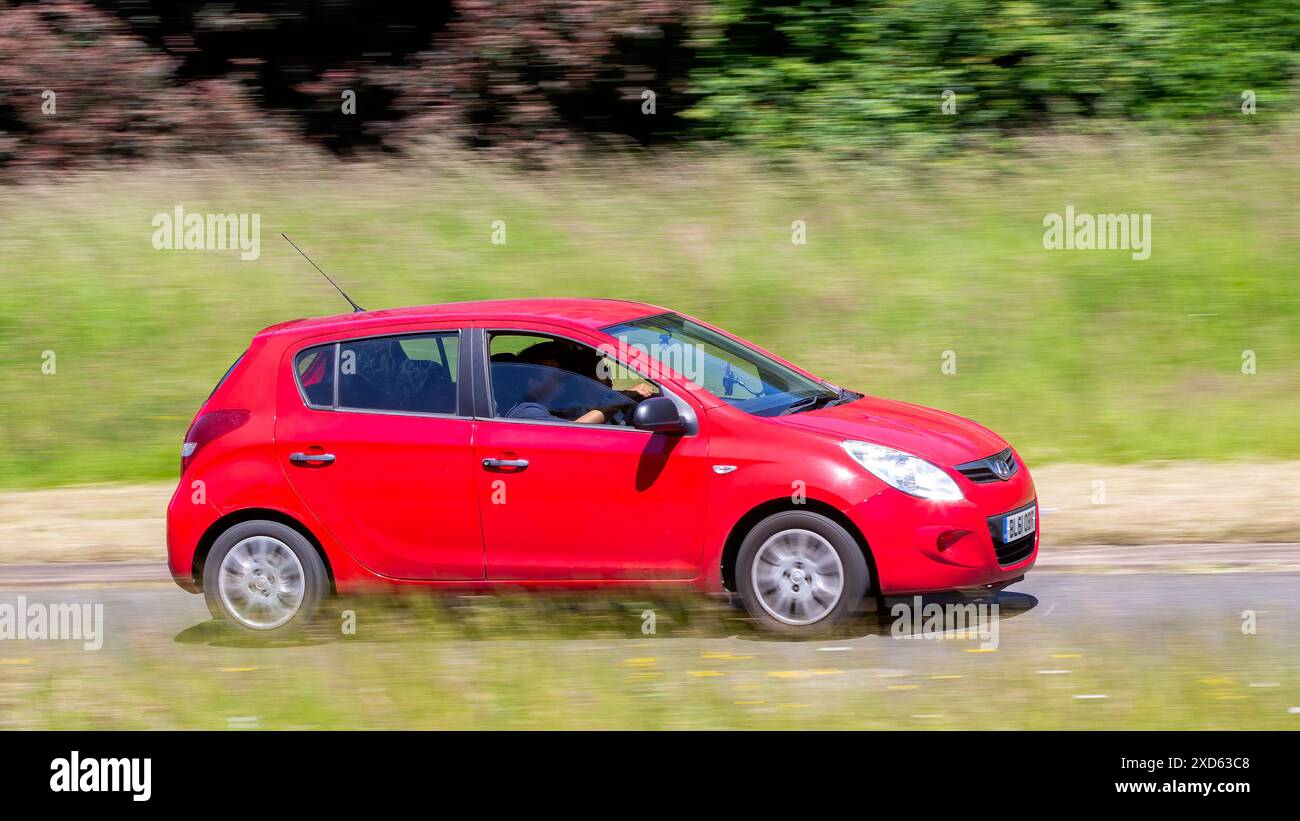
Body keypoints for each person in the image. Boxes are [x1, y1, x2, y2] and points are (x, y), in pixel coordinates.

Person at [504, 340, 654, 423]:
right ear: (533, 382)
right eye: (554, 374)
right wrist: (620, 400)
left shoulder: (567, 404)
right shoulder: (528, 412)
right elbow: (573, 431)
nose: (563, 377)